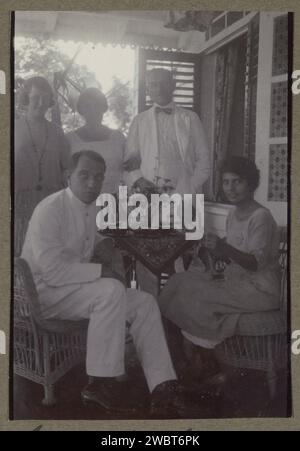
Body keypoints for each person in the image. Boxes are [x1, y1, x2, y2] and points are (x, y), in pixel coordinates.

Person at [21, 149, 198, 417]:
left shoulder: (91, 206)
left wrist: (108, 249)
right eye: (85, 175)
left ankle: (163, 387)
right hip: (42, 294)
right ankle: (99, 385)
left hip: (71, 290)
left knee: (144, 301)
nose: (92, 183)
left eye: (98, 177)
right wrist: (101, 271)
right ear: (68, 176)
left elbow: (95, 236)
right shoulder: (50, 209)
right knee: (111, 289)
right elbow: (52, 272)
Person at [159, 156, 280, 380]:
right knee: (179, 281)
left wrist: (223, 247)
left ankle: (205, 361)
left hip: (261, 290)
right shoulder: (233, 214)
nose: (230, 188)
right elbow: (231, 254)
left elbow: (255, 263)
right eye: (226, 182)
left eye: (237, 182)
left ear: (251, 183)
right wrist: (211, 249)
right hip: (237, 281)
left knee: (199, 295)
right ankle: (178, 353)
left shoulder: (260, 216)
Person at [123, 68, 210, 196]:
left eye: (164, 83)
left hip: (186, 194)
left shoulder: (191, 118)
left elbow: (204, 160)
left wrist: (189, 188)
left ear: (173, 85)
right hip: (148, 195)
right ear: (148, 90)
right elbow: (129, 162)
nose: (159, 89)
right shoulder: (139, 121)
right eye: (154, 85)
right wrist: (140, 182)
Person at [14, 76, 69, 255]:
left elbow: (67, 170)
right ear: (25, 98)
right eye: (35, 97)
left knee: (47, 257)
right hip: (20, 207)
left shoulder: (57, 132)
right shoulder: (11, 129)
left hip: (50, 205)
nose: (40, 103)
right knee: (21, 257)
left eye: (45, 98)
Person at [66, 87, 125, 195]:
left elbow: (128, 169)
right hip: (80, 200)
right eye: (88, 107)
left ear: (104, 108)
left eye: (97, 105)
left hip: (113, 199)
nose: (93, 111)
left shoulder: (118, 137)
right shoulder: (70, 139)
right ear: (81, 110)